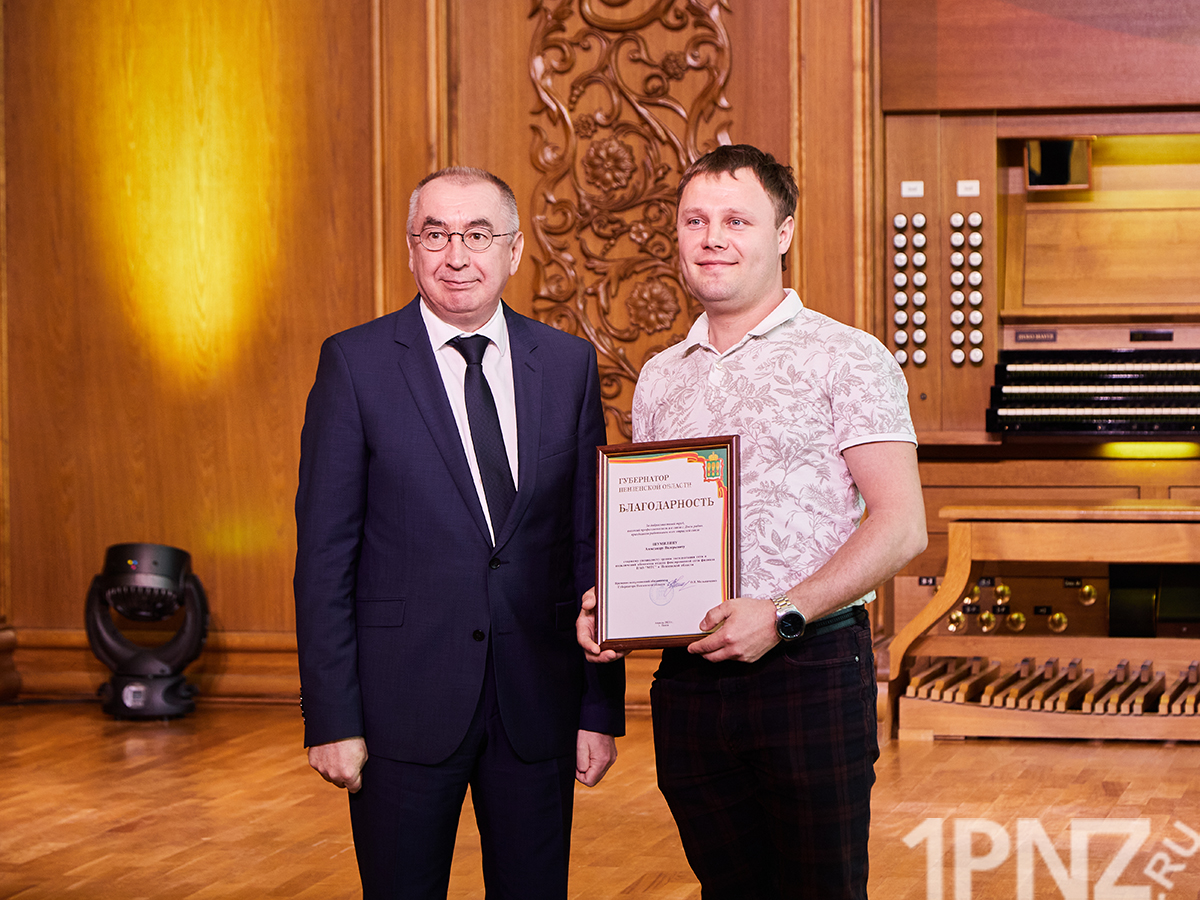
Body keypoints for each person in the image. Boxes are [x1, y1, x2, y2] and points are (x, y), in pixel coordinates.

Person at [578, 144, 927, 899]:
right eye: (695, 220)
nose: (713, 239)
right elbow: (657, 529)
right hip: (689, 678)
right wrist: (617, 605)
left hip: (808, 667)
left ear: (784, 232)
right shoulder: (660, 377)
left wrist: (783, 612)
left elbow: (902, 525)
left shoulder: (849, 357)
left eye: (737, 220)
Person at [295, 166, 625, 900]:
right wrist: (331, 718)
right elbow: (323, 558)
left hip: (537, 704)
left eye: (477, 235)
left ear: (513, 251)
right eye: (435, 234)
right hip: (399, 709)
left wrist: (598, 708)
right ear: (410, 249)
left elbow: (589, 547)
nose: (456, 255)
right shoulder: (355, 364)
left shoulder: (567, 365)